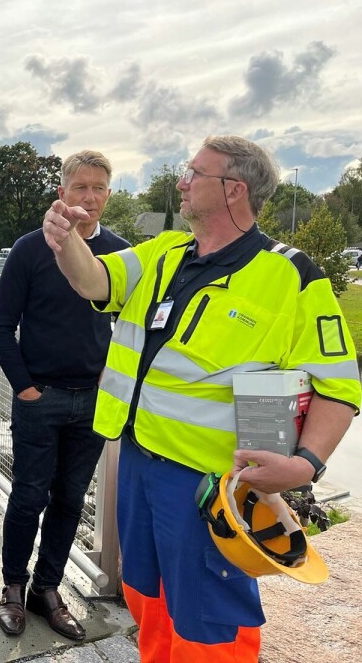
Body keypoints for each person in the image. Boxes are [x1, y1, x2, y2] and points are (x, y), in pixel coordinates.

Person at [42, 135, 361, 662]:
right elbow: (95, 281)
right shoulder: (165, 251)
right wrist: (65, 241)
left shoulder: (291, 277)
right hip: (139, 461)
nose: (181, 182)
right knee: (147, 597)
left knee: (210, 622)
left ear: (234, 190)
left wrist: (305, 465)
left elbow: (338, 387)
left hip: (210, 486)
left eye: (194, 173)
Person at [0, 151, 129, 639]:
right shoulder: (30, 250)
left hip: (92, 401)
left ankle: (46, 589)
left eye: (99, 188)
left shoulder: (120, 253)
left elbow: (132, 331)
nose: (89, 197)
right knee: (29, 497)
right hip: (41, 397)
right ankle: (12, 587)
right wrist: (25, 388)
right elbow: (3, 327)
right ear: (63, 192)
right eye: (80, 187)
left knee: (71, 500)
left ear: (109, 194)